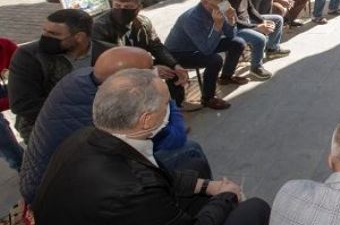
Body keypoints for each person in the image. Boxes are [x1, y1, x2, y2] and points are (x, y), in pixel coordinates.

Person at [33, 68, 270, 225]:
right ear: (146, 119)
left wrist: (208, 187)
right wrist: (226, 197)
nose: (171, 108)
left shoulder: (83, 138)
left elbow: (154, 175)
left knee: (194, 165)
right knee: (254, 211)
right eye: (167, 104)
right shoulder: (129, 188)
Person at [19, 46, 210, 205]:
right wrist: (161, 95)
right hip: (61, 194)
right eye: (150, 69)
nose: (155, 71)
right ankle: (188, 208)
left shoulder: (82, 77)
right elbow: (175, 136)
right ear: (129, 82)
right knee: (191, 151)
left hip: (40, 180)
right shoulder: (124, 104)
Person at [8, 9, 112, 143]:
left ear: (79, 37)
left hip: (101, 127)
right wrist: (86, 112)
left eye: (53, 34)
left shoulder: (108, 53)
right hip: (46, 131)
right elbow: (22, 105)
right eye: (44, 31)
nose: (45, 37)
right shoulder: (28, 56)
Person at [92, 0, 190, 107]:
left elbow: (156, 46)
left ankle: (177, 106)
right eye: (117, 6)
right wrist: (151, 70)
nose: (121, 10)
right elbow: (114, 61)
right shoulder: (101, 27)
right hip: (115, 71)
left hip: (137, 63)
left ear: (139, 7)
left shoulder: (143, 22)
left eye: (128, 7)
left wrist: (175, 65)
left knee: (170, 68)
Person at [165, 0, 249, 110]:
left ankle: (226, 77)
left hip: (203, 43)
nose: (225, 0)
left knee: (238, 43)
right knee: (214, 60)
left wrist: (231, 21)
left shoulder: (222, 6)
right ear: (205, 2)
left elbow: (231, 35)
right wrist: (217, 25)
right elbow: (207, 50)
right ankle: (208, 98)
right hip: (179, 52)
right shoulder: (192, 18)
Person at [224, 0, 290, 79]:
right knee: (260, 38)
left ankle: (272, 48)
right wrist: (257, 27)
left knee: (277, 19)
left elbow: (251, 9)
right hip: (236, 27)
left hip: (248, 21)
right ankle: (256, 67)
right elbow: (233, 21)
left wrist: (262, 21)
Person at [0, 38, 23, 171]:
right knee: (13, 153)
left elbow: (25, 69)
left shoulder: (4, 45)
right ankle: (21, 166)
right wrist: (17, 99)